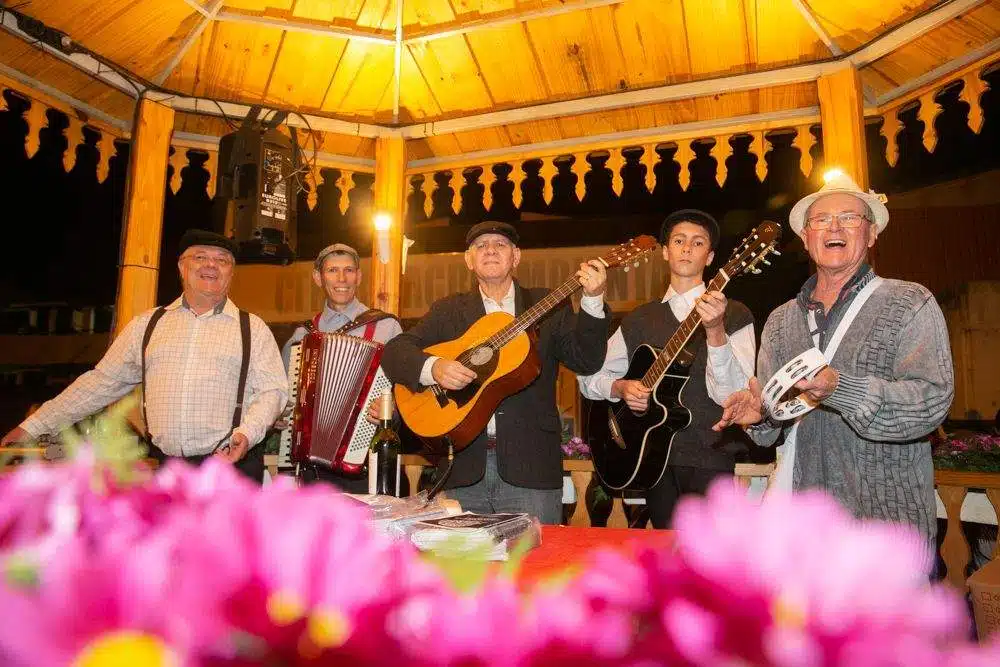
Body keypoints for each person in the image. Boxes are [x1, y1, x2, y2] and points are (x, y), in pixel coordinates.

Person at [715, 173, 954, 548]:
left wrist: (840, 388)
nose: (835, 226)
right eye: (821, 220)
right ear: (806, 238)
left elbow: (931, 401)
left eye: (850, 217)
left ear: (872, 234)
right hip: (804, 525)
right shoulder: (780, 320)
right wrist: (758, 415)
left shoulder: (909, 302)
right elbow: (775, 424)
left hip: (885, 525)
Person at [1, 230, 288, 483]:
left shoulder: (253, 328)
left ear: (231, 273)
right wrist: (33, 426)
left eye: (222, 260)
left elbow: (272, 391)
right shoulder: (147, 325)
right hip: (166, 469)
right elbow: (100, 383)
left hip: (231, 468)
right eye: (200, 257)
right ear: (181, 266)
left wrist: (246, 434)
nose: (211, 265)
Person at [380, 221, 610, 524]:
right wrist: (434, 368)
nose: (490, 249)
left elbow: (587, 360)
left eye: (500, 244)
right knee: (463, 569)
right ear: (468, 260)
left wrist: (592, 300)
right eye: (481, 245)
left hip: (532, 469)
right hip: (461, 467)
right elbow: (395, 351)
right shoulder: (449, 310)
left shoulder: (547, 304)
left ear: (516, 256)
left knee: (535, 568)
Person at [578, 209, 755, 528]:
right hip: (652, 461)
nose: (687, 248)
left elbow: (732, 395)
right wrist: (620, 388)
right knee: (667, 562)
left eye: (698, 242)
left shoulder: (736, 315)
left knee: (709, 563)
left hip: (711, 458)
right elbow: (591, 377)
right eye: (679, 240)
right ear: (665, 251)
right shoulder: (638, 319)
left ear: (710, 256)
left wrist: (715, 331)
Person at [280, 243, 402, 492]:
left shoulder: (387, 328)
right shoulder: (301, 336)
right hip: (313, 470)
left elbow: (408, 392)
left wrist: (393, 409)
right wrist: (283, 416)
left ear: (358, 276)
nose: (342, 278)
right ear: (318, 277)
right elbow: (283, 399)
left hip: (370, 461)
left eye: (349, 270)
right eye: (332, 270)